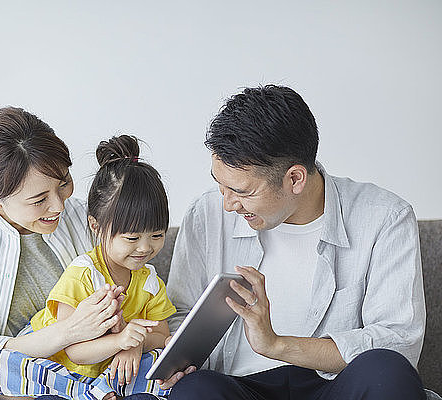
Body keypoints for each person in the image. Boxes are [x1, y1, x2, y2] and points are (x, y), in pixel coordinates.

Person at [161, 85, 427, 400]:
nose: (228, 204)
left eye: (243, 192)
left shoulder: (385, 217)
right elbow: (179, 314)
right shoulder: (205, 214)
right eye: (221, 185)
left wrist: (275, 345)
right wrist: (175, 357)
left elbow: (397, 342)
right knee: (195, 391)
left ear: (295, 179)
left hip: (336, 386)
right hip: (240, 388)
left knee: (387, 370)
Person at [0, 108, 154, 400]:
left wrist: (135, 343)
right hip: (6, 390)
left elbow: (143, 294)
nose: (59, 206)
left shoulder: (84, 217)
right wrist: (67, 332)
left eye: (63, 182)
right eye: (39, 200)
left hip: (98, 377)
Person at [0, 135, 175, 400]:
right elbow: (74, 350)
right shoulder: (83, 274)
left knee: (167, 369)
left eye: (157, 235)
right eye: (132, 238)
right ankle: (89, 392)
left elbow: (161, 334)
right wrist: (120, 341)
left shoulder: (149, 281)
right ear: (96, 226)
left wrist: (135, 343)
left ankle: (97, 390)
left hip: (108, 369)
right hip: (60, 368)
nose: (145, 248)